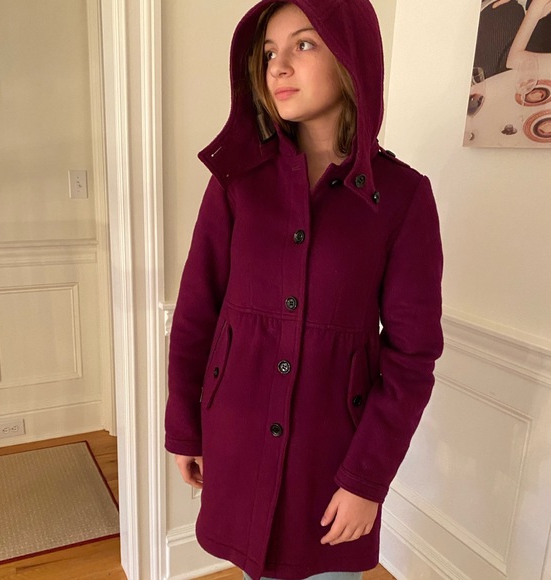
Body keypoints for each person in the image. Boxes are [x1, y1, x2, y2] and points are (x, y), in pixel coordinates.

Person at [164, 1, 443, 580]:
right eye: (269, 52)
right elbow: (196, 312)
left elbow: (413, 356)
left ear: (351, 56)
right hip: (237, 437)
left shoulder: (402, 196)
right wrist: (185, 426)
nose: (279, 66)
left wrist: (366, 480)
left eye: (304, 44)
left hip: (331, 457)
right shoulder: (237, 183)